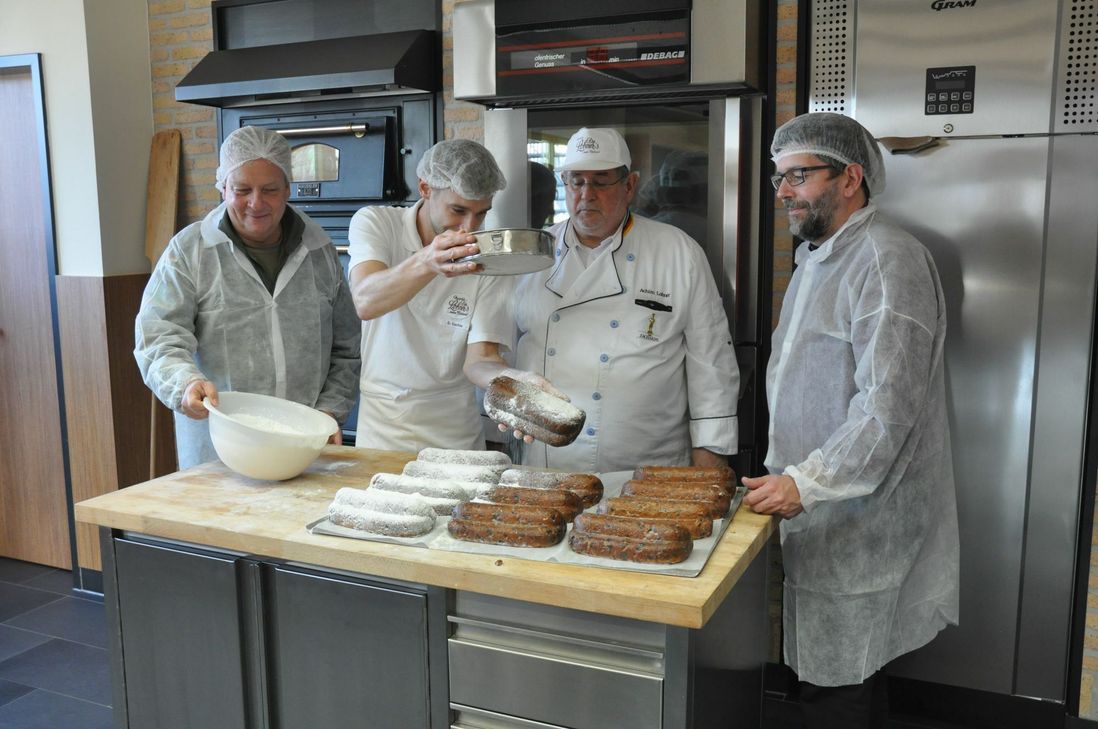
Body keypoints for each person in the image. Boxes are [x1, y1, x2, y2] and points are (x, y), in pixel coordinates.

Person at [743, 112, 960, 729]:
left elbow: (886, 409)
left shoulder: (887, 261)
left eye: (798, 176)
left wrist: (805, 484)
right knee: (840, 672)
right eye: (779, 177)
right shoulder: (821, 256)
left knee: (840, 679)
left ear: (850, 178)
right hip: (819, 503)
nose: (783, 191)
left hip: (858, 513)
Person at [507, 127, 740, 472]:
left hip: (648, 469)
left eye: (601, 181)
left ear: (629, 185)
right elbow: (497, 354)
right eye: (576, 181)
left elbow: (712, 362)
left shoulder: (678, 251)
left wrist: (710, 455)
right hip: (547, 465)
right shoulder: (532, 253)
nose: (586, 194)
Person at [135, 125, 361, 469]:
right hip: (220, 451)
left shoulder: (318, 251)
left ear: (288, 188)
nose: (256, 203)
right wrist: (185, 382)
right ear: (222, 188)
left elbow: (347, 347)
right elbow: (158, 337)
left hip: (301, 447)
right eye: (242, 190)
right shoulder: (191, 251)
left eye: (270, 189)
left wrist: (329, 410)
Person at [348, 139, 556, 452]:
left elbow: (481, 361)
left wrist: (512, 381)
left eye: (481, 214)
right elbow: (366, 301)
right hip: (383, 431)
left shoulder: (487, 255)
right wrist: (427, 262)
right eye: (458, 210)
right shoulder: (377, 223)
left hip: (456, 438)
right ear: (425, 188)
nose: (468, 227)